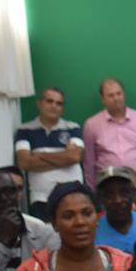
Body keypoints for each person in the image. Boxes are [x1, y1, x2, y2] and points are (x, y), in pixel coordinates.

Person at [82, 77, 136, 195]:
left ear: (124, 94)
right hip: (108, 191)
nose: (116, 98)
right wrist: (92, 192)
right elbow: (89, 161)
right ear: (102, 99)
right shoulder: (92, 125)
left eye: (119, 94)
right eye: (110, 95)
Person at [15, 86, 85, 221]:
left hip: (73, 196)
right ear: (40, 103)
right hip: (41, 199)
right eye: (49, 101)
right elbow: (25, 162)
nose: (54, 106)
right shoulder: (24, 130)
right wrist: (64, 156)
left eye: (59, 103)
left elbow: (75, 156)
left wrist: (40, 155)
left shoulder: (73, 128)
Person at [0, 168, 60, 271]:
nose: (4, 198)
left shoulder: (40, 230)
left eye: (9, 191)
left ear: (18, 193)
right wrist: (3, 242)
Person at [95, 166, 136, 255]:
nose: (118, 200)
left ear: (134, 195)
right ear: (101, 199)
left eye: (124, 193)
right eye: (109, 194)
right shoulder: (94, 232)